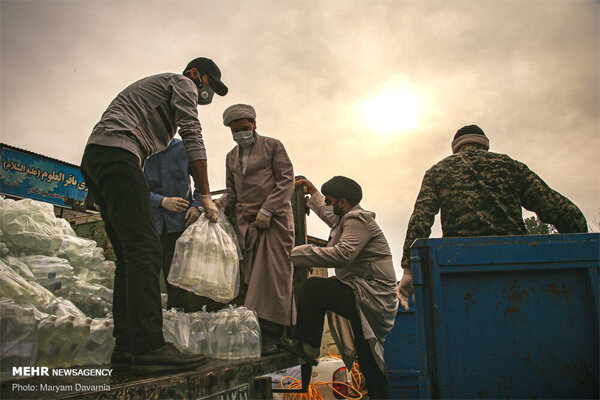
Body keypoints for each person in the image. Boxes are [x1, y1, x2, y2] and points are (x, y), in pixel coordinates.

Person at [80, 57, 227, 374]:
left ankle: (127, 346)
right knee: (146, 251)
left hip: (99, 156)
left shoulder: (158, 102)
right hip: (118, 153)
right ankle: (150, 347)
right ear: (195, 75)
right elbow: (193, 134)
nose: (208, 94)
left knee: (130, 256)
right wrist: (204, 195)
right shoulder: (182, 83)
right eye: (209, 85)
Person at [398, 124, 588, 309]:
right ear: (485, 144)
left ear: (455, 148)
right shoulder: (511, 167)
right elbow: (562, 210)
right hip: (516, 264)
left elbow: (421, 216)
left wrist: (409, 268)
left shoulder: (438, 171)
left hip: (456, 267)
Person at [283, 176, 398, 400]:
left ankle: (309, 345)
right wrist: (312, 192)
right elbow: (328, 214)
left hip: (371, 294)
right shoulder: (344, 218)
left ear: (342, 203)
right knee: (368, 359)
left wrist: (296, 253)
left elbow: (343, 255)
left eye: (329, 200)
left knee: (314, 288)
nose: (326, 205)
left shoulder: (357, 220)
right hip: (360, 292)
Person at [214, 104, 295, 355]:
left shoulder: (273, 146)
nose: (241, 134)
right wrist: (221, 203)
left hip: (274, 223)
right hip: (246, 228)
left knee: (272, 280)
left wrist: (268, 210)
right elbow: (231, 192)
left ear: (254, 125)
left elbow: (286, 180)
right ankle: (254, 334)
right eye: (235, 131)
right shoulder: (230, 157)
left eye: (245, 128)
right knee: (250, 282)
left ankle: (273, 336)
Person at [144, 137, 202, 311]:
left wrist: (196, 205)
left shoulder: (185, 148)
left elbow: (202, 182)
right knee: (148, 278)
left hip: (180, 226)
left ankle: (180, 321)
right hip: (150, 225)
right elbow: (134, 187)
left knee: (179, 280)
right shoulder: (142, 150)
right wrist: (161, 201)